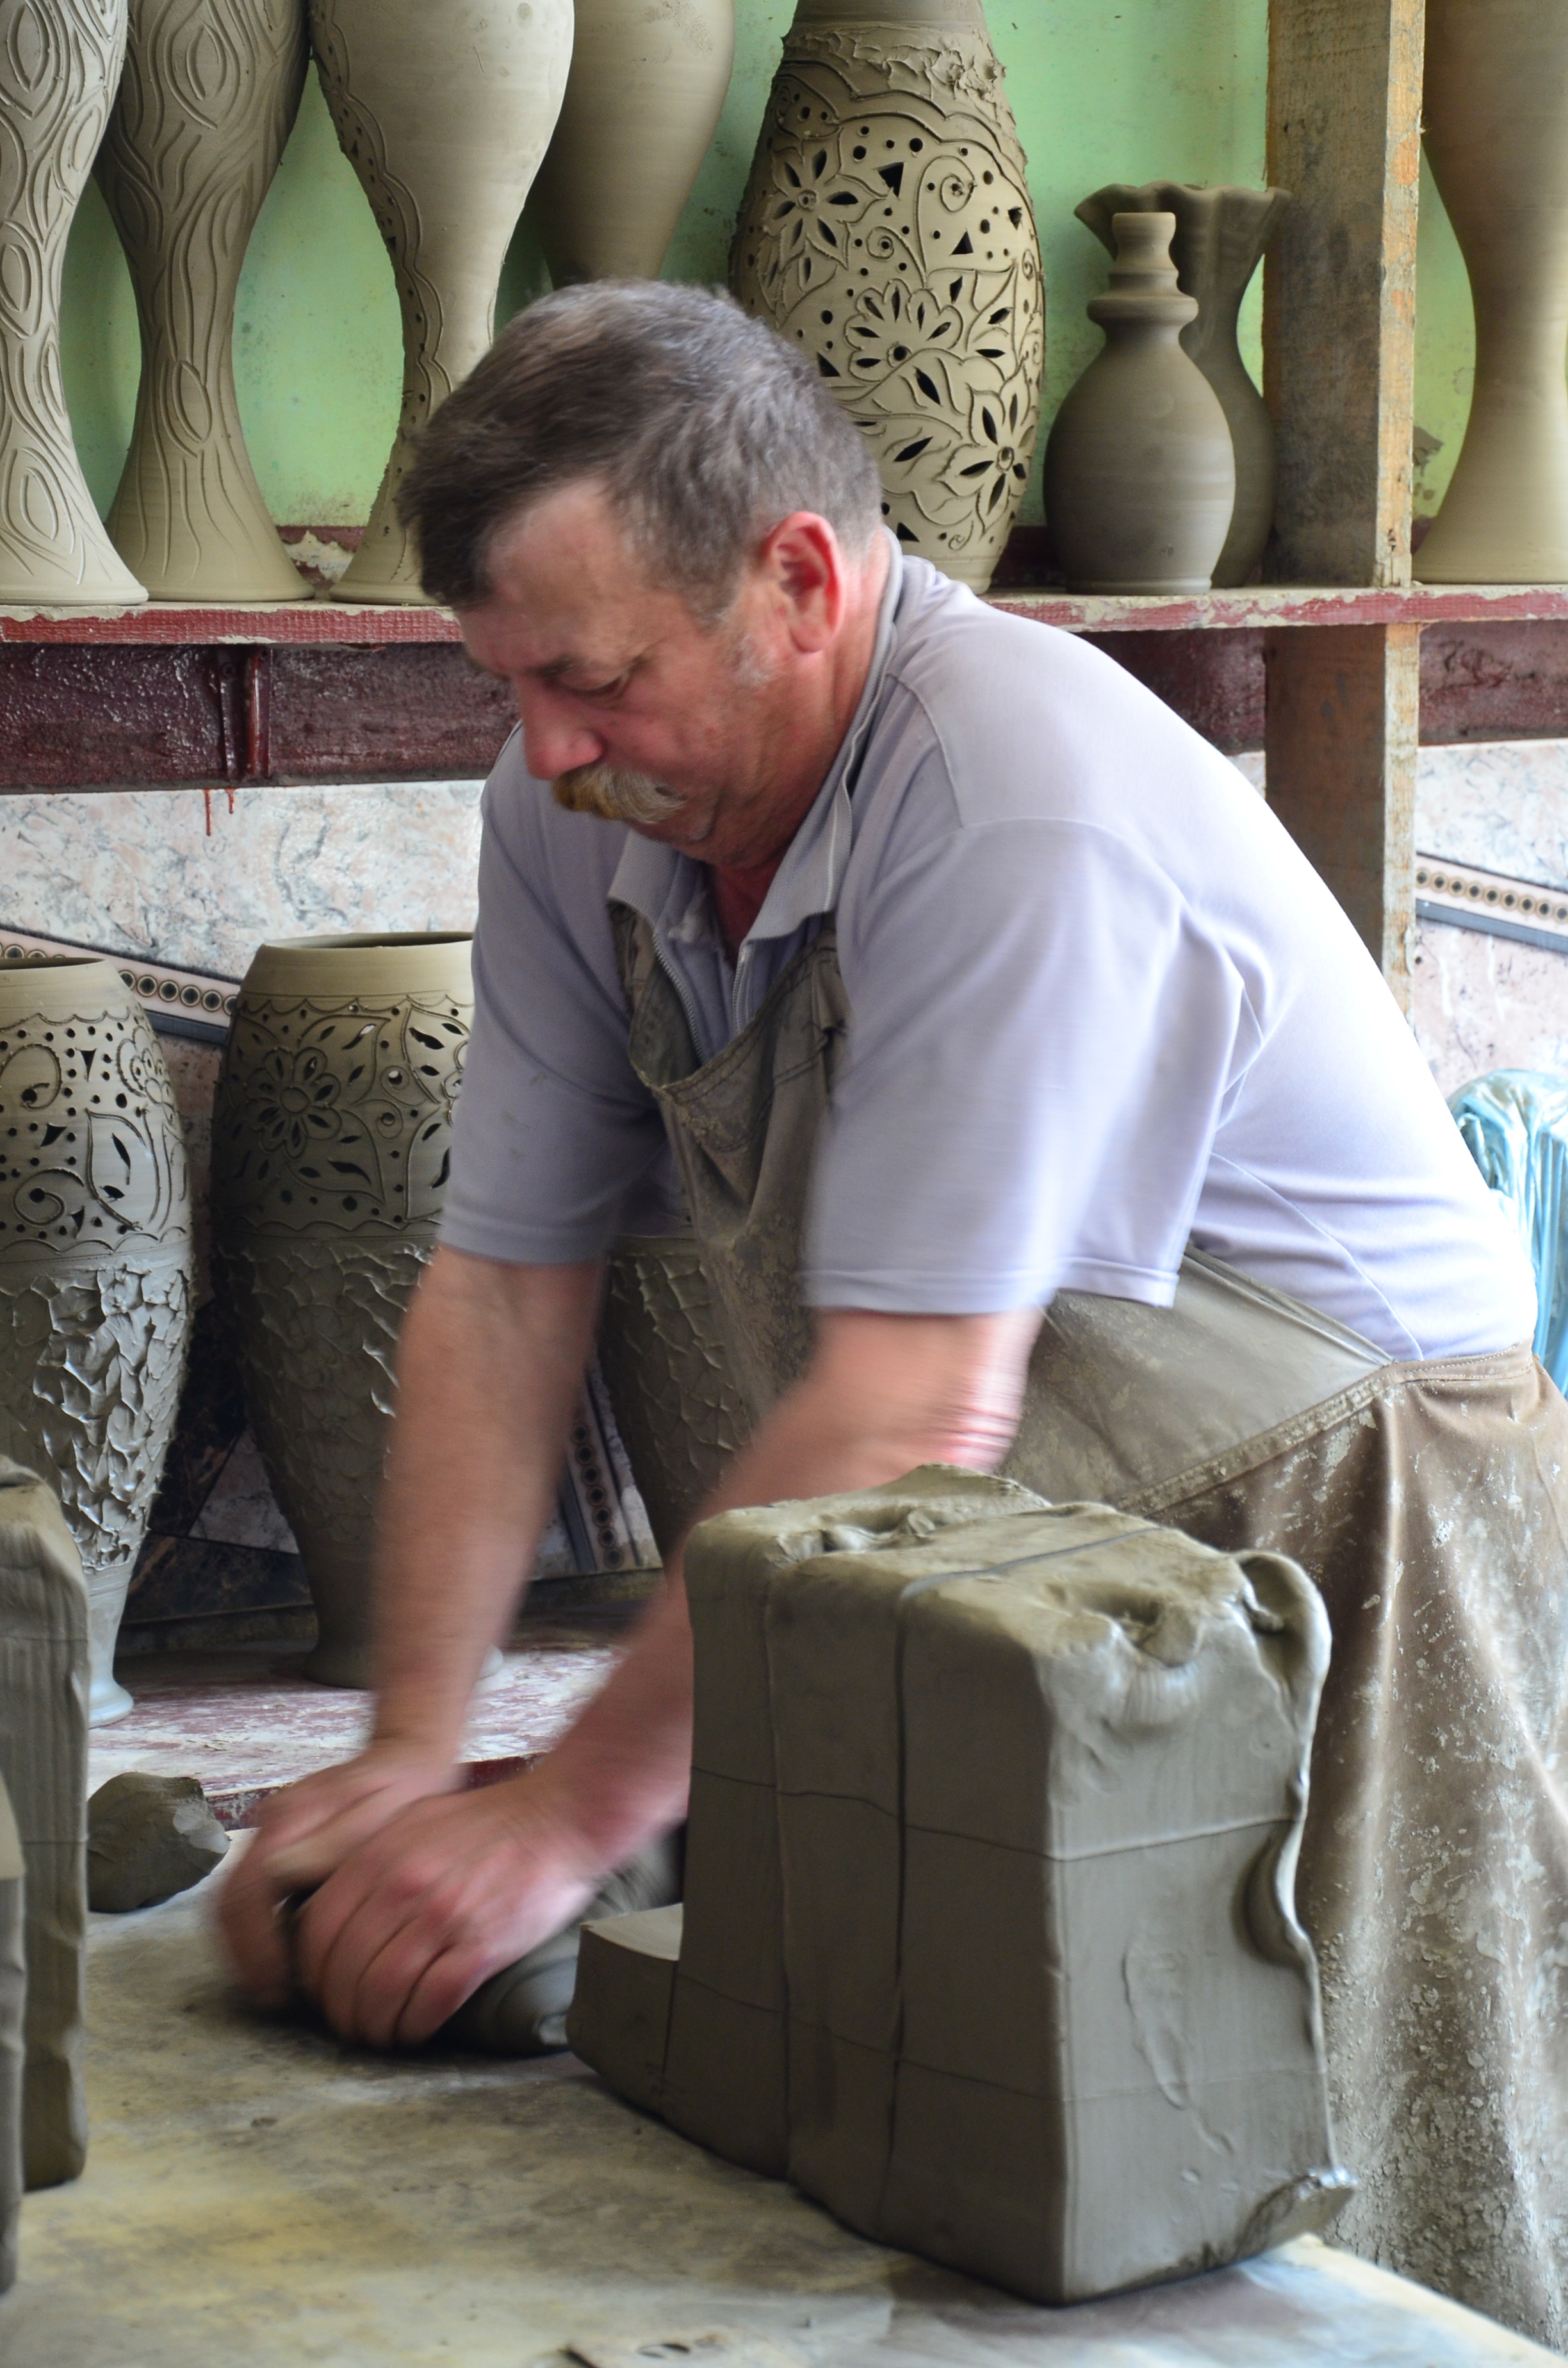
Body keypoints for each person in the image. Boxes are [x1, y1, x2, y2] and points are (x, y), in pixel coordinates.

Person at [222, 284, 1568, 2344]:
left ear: (801, 578)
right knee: (964, 2155)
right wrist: (413, 1750)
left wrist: (569, 1810)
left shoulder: (1015, 794)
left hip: (1359, 1527)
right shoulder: (573, 807)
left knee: (1335, 2202)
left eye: (594, 679)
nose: (548, 748)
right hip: (989, 1550)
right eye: (511, 686)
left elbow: (912, 1402)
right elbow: (500, 1290)